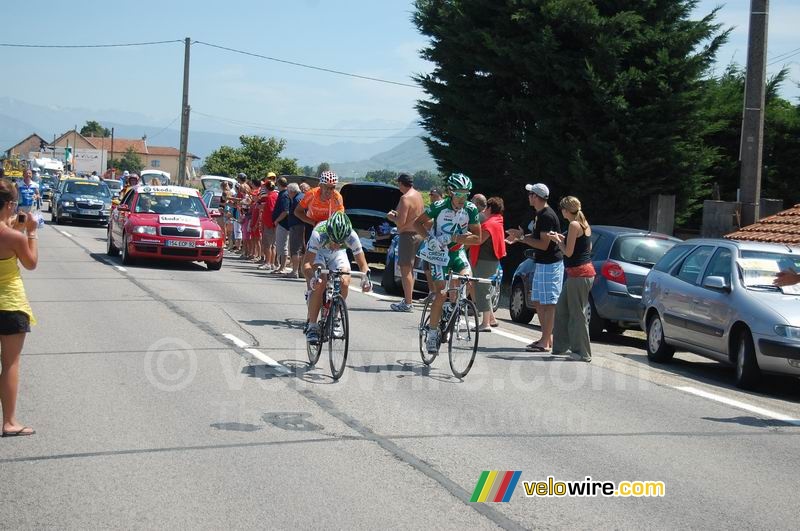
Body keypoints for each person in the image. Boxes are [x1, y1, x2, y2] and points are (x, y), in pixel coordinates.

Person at [414, 173, 481, 355]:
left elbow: (477, 238)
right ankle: (433, 333)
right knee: (441, 292)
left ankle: (454, 308)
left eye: (466, 194)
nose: (462, 198)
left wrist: (455, 237)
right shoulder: (438, 206)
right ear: (451, 192)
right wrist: (430, 238)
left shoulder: (471, 209)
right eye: (459, 194)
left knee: (467, 279)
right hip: (438, 254)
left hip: (457, 251)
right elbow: (417, 223)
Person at [0, 180, 39, 437]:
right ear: (9, 204)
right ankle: (9, 422)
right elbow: (31, 263)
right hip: (10, 304)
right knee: (10, 363)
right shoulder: (13, 236)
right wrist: (31, 232)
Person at [506, 183, 563, 353]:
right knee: (538, 300)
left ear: (536, 197)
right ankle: (546, 337)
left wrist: (522, 238)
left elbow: (544, 244)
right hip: (542, 263)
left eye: (530, 194)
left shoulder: (547, 216)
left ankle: (545, 341)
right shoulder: (539, 214)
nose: (528, 196)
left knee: (548, 303)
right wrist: (519, 237)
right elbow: (537, 236)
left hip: (550, 264)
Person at [304, 211, 372, 344]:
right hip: (319, 252)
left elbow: (363, 264)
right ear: (328, 233)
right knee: (321, 282)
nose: (336, 245)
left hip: (338, 255)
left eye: (340, 242)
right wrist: (313, 279)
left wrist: (366, 279)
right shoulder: (318, 234)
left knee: (345, 280)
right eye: (334, 240)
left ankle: (335, 316)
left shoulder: (352, 236)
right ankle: (312, 325)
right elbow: (306, 264)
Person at [547, 196, 595, 362]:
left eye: (562, 209)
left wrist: (557, 241)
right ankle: (561, 348)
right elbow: (586, 246)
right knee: (562, 308)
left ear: (566, 210)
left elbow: (567, 252)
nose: (561, 212)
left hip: (580, 274)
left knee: (577, 313)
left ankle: (582, 352)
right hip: (579, 273)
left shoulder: (574, 224)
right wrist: (561, 238)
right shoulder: (583, 223)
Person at [295, 171, 345, 282]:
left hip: (329, 228)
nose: (329, 191)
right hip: (312, 226)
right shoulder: (311, 194)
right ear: (320, 185)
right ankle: (310, 283)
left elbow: (340, 218)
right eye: (326, 187)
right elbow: (297, 212)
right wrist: (312, 222)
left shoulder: (337, 197)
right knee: (312, 258)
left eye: (332, 188)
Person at [388, 173, 425, 312]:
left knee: (405, 270)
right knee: (411, 270)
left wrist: (391, 217)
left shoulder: (405, 198)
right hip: (418, 235)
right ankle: (408, 299)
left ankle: (408, 303)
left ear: (402, 183)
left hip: (407, 236)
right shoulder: (418, 195)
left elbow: (401, 222)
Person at [469, 196, 506, 331]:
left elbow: (478, 240)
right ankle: (491, 318)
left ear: (489, 208)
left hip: (484, 261)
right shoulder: (497, 221)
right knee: (487, 289)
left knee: (482, 289)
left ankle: (485, 323)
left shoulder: (489, 224)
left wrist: (462, 238)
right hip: (490, 261)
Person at [286, 183, 306, 278]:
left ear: (291, 191)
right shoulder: (302, 197)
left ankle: (295, 271)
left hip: (297, 226)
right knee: (302, 249)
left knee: (295, 249)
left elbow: (297, 213)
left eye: (288, 192)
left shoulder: (297, 199)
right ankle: (301, 271)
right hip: (302, 226)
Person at [257, 180, 279, 270]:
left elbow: (271, 211)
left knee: (268, 244)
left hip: (269, 224)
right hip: (272, 224)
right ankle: (272, 263)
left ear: (266, 188)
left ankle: (268, 263)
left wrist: (270, 224)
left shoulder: (270, 197)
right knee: (273, 245)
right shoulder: (275, 195)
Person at [272, 177, 291, 272]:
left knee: (283, 246)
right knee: (280, 245)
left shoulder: (284, 195)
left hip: (283, 224)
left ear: (279, 184)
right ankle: (280, 266)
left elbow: (285, 211)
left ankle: (282, 267)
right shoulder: (283, 194)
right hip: (282, 223)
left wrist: (277, 220)